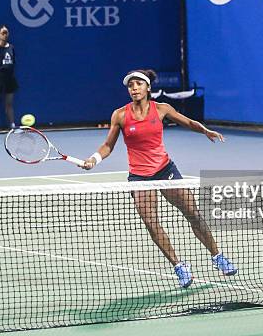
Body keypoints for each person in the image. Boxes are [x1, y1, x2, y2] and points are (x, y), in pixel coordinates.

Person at [81, 69, 237, 288]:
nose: (133, 88)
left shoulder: (162, 109)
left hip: (165, 170)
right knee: (151, 223)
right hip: (139, 177)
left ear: (147, 88)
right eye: (130, 85)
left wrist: (205, 131)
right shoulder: (120, 115)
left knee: (193, 213)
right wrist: (94, 159)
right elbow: (108, 145)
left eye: (138, 84)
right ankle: (179, 266)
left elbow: (188, 122)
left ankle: (218, 256)